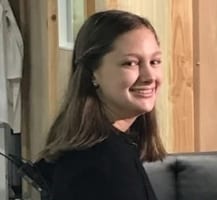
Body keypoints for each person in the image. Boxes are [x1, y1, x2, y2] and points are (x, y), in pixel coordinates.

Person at [34, 10, 166, 200]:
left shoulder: (99, 147)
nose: (149, 76)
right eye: (130, 63)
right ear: (93, 73)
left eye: (155, 61)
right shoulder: (105, 162)